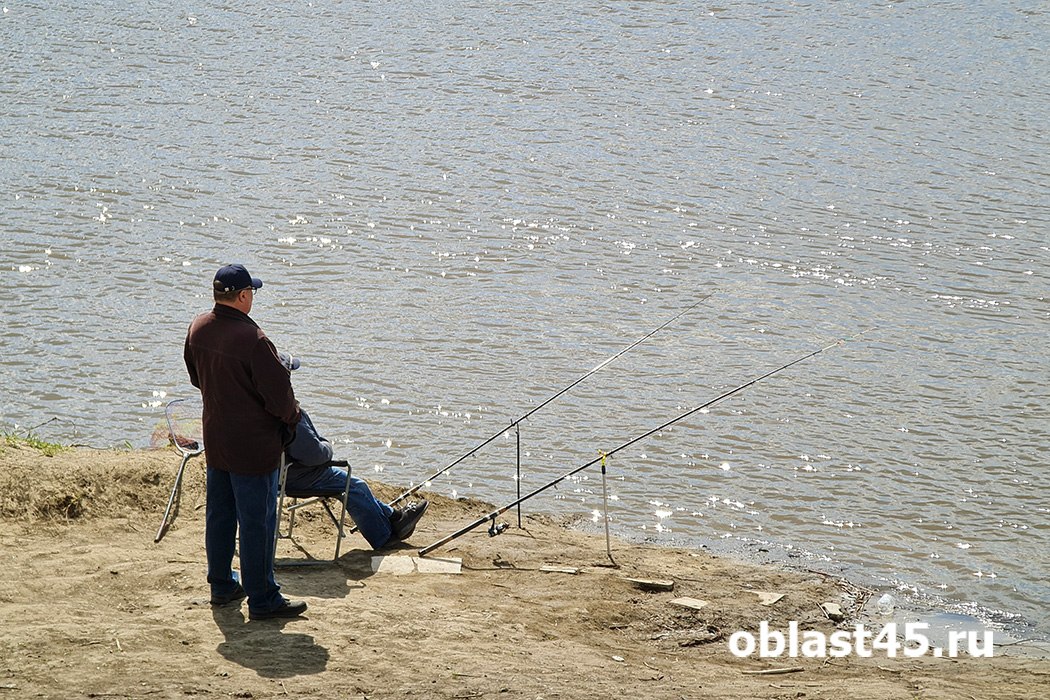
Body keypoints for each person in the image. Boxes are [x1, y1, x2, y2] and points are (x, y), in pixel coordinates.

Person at [183, 263, 307, 621]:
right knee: (258, 522)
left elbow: (195, 378)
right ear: (242, 296)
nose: (252, 296)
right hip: (253, 447)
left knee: (219, 515)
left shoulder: (198, 327)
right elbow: (281, 401)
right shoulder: (255, 341)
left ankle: (222, 585)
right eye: (250, 291)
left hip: (217, 438)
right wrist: (293, 419)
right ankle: (263, 597)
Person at [282, 403, 428, 549]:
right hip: (301, 478)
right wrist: (327, 445)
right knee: (355, 487)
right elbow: (315, 455)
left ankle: (395, 516)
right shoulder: (290, 415)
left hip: (275, 477)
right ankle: (384, 537)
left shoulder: (265, 414)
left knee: (359, 486)